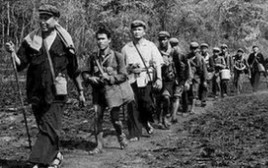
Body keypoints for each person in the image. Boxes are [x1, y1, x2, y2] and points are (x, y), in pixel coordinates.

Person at [5, 4, 85, 168]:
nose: (42, 21)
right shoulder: (31, 40)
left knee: (48, 125)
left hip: (57, 91)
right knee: (47, 126)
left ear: (56, 20)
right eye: (40, 17)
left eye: (46, 18)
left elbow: (74, 69)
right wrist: (13, 52)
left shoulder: (65, 41)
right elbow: (20, 65)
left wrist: (81, 91)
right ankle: (55, 157)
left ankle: (36, 160)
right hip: (36, 91)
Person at [81, 25, 132, 154]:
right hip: (98, 92)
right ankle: (99, 146)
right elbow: (85, 72)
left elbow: (123, 75)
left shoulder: (118, 56)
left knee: (115, 118)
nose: (100, 42)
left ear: (109, 40)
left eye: (103, 39)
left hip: (113, 92)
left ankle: (121, 136)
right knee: (97, 117)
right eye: (98, 39)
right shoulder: (93, 57)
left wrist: (110, 78)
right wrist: (90, 78)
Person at [122, 20, 163, 138]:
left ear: (144, 32)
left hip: (146, 79)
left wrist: (159, 78)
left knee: (147, 105)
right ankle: (135, 133)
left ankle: (145, 121)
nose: (136, 32)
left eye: (139, 29)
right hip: (131, 80)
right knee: (132, 106)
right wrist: (130, 68)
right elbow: (121, 67)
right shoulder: (126, 48)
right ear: (131, 31)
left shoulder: (150, 46)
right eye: (134, 30)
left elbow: (158, 64)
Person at [157, 31, 187, 125]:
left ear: (168, 40)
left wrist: (181, 79)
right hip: (158, 78)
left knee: (167, 97)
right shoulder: (156, 51)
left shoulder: (174, 52)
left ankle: (166, 116)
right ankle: (159, 119)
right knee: (158, 100)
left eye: (164, 39)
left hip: (170, 79)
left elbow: (180, 66)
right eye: (161, 40)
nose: (162, 42)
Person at [186, 42, 208, 113]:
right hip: (188, 76)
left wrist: (204, 80)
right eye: (192, 48)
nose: (194, 50)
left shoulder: (200, 57)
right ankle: (186, 107)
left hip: (197, 76)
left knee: (194, 91)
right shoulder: (187, 56)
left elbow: (204, 69)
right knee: (188, 91)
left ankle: (192, 108)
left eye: (195, 48)